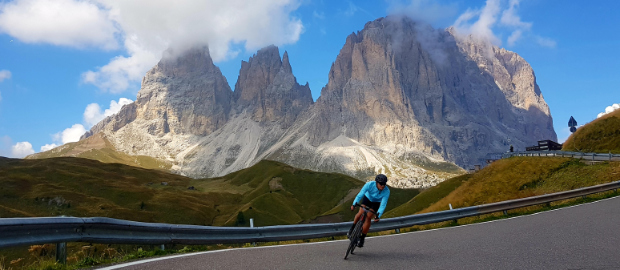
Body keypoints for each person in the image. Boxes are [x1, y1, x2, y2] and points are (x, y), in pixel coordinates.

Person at [348, 174, 390, 248]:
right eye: (381, 184)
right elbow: (360, 194)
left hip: (376, 203)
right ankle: (352, 228)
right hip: (367, 198)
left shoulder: (387, 191)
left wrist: (378, 216)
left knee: (369, 217)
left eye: (384, 184)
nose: (383, 186)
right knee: (360, 212)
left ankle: (362, 238)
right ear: (376, 182)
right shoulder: (369, 185)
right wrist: (354, 204)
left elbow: (383, 205)